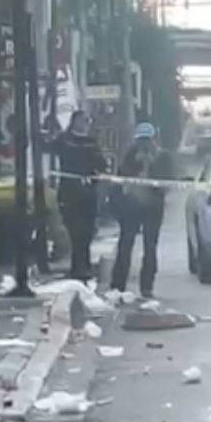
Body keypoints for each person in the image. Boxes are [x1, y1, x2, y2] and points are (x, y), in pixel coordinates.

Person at [110, 122, 174, 297]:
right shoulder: (129, 156)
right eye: (141, 141)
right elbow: (120, 179)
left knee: (150, 246)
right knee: (125, 244)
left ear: (154, 140)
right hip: (131, 207)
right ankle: (118, 284)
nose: (145, 145)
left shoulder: (163, 157)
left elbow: (167, 183)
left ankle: (147, 286)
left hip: (153, 206)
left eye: (148, 140)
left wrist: (152, 171)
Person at [49, 111, 107, 281]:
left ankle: (84, 266)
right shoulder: (64, 140)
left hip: (88, 192)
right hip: (69, 192)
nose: (85, 124)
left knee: (87, 231)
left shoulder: (91, 142)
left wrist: (96, 175)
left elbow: (101, 164)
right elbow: (49, 147)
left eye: (87, 121)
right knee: (74, 230)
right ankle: (77, 267)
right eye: (82, 121)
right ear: (74, 122)